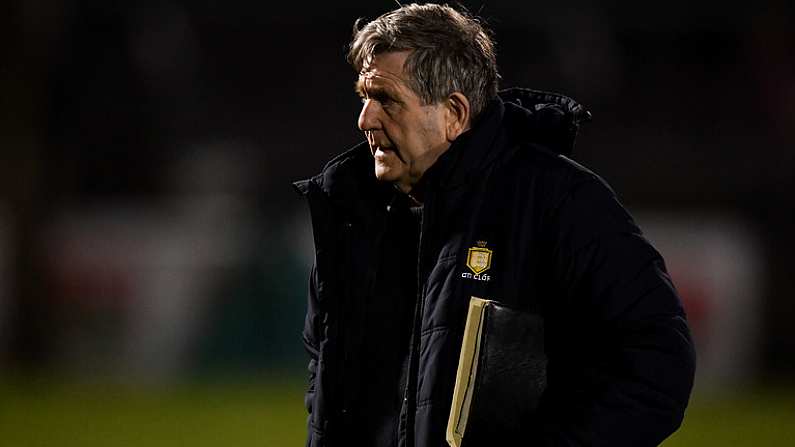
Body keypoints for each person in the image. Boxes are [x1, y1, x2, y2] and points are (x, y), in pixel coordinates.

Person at [293, 3, 696, 447]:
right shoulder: (353, 218)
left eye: (386, 99)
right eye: (364, 97)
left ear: (454, 114)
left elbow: (657, 365)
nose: (365, 119)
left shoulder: (558, 204)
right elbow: (325, 372)